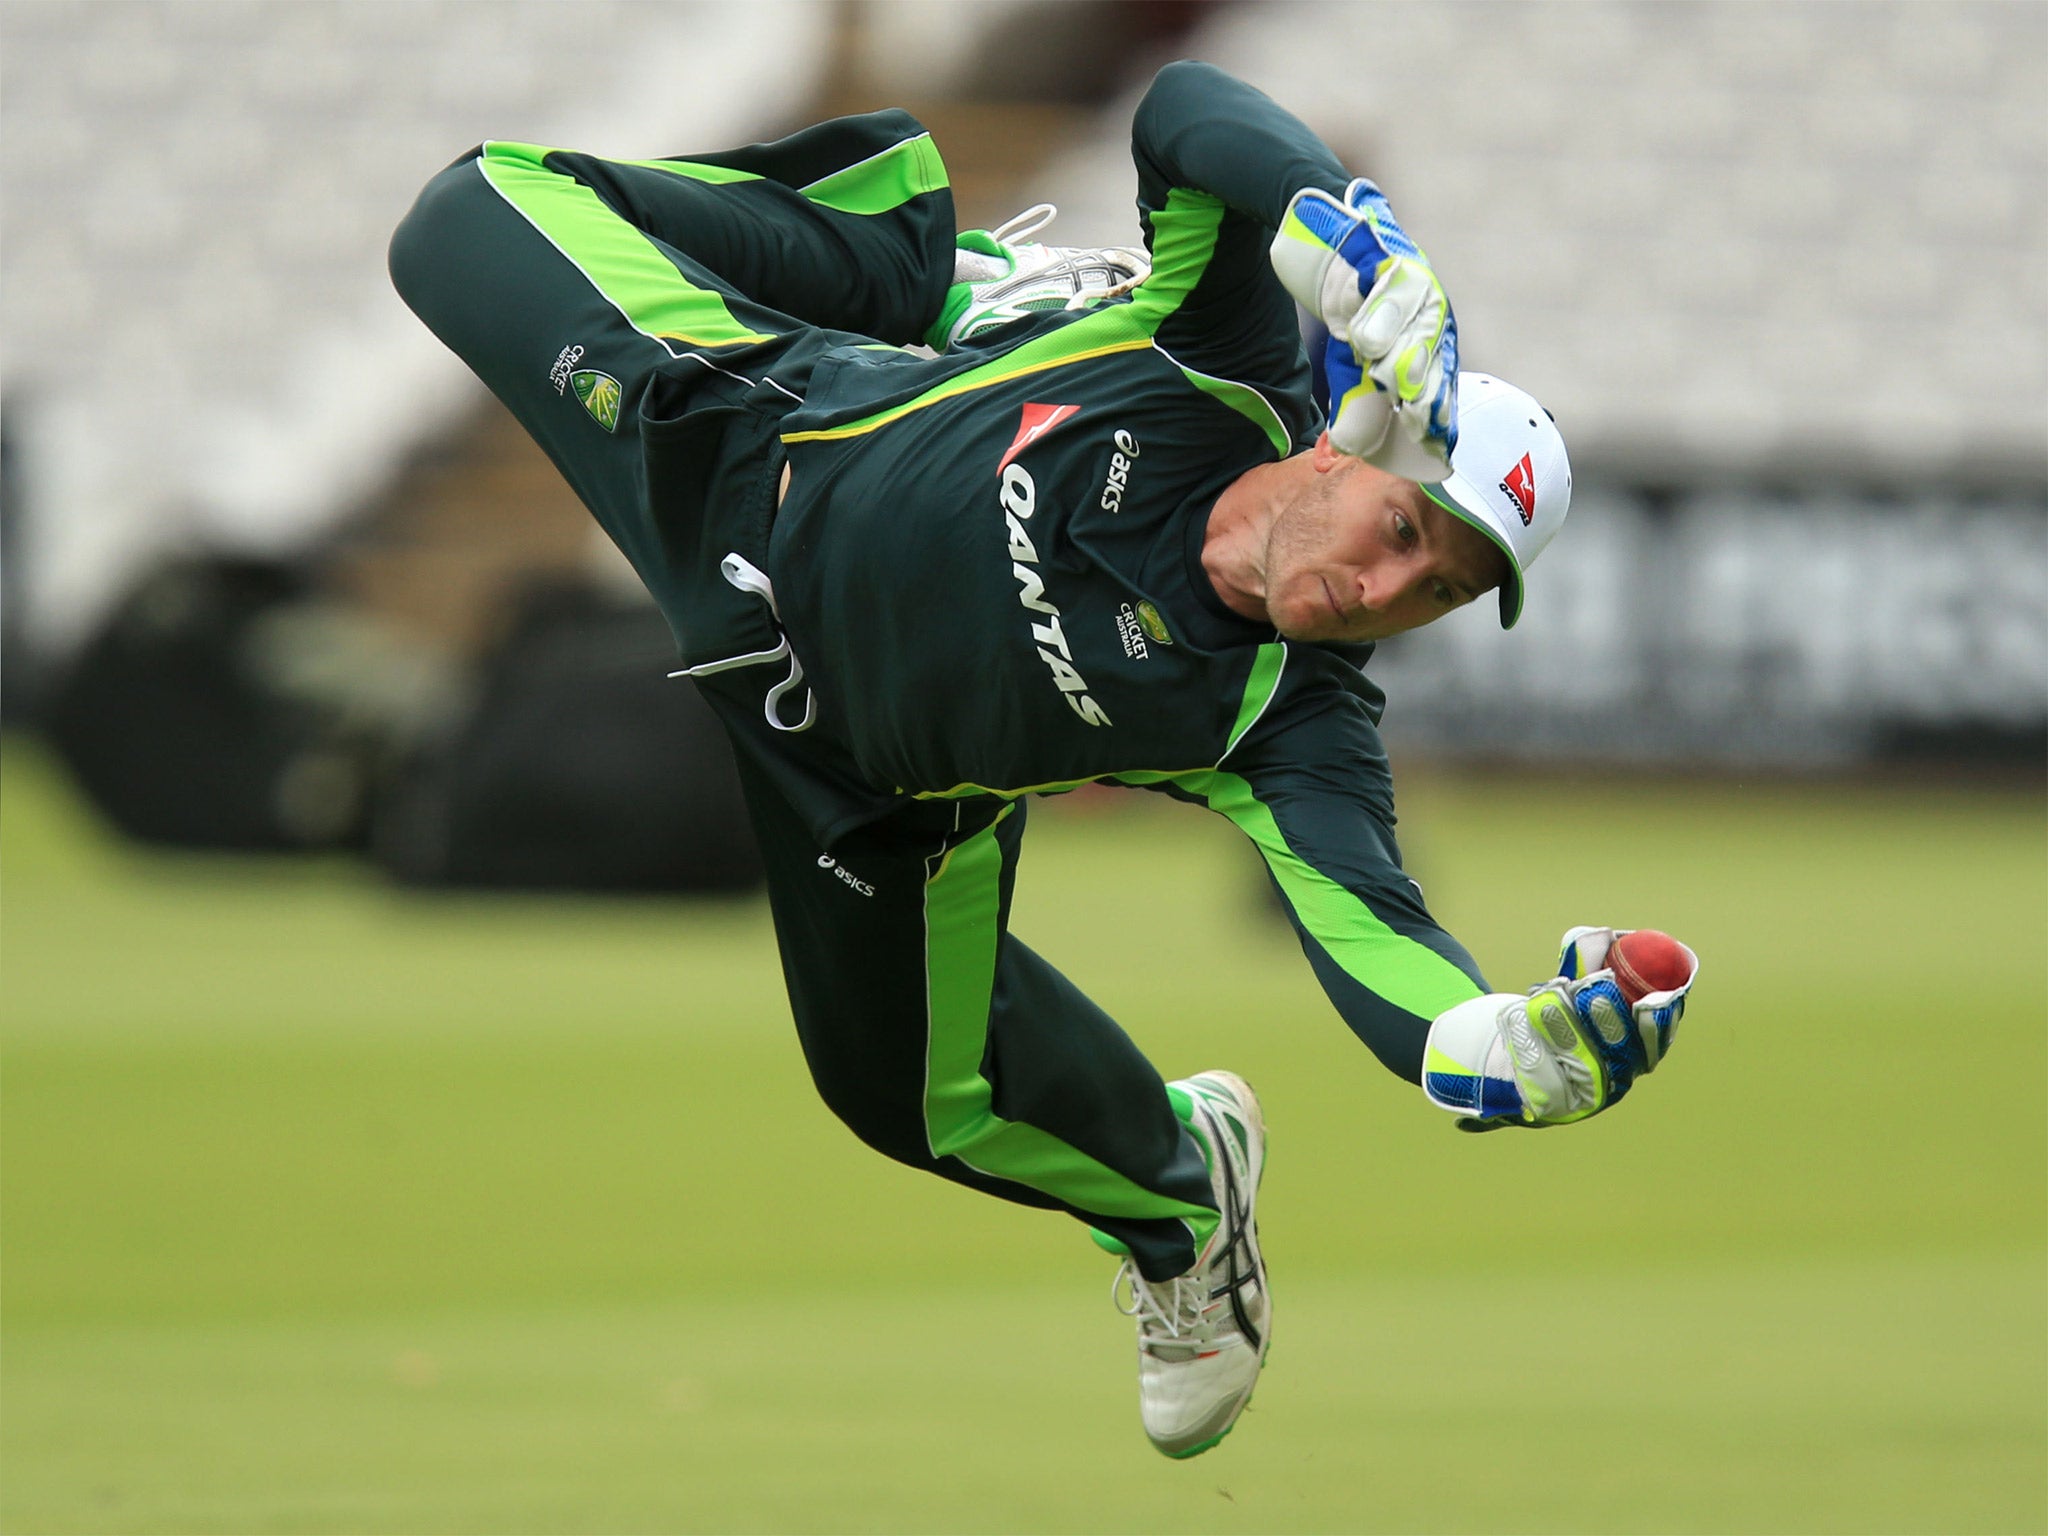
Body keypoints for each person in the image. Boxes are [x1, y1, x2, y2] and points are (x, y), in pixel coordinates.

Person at [389, 60, 1698, 1459]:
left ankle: (1183, 1196)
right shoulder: (1214, 369)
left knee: (910, 1102)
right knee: (464, 221)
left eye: (1438, 590)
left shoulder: (1288, 718)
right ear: (1348, 444)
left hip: (867, 788)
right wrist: (1345, 214)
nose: (1391, 592)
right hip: (734, 437)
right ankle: (906, 259)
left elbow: (1375, 932)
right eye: (1403, 529)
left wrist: (1482, 1046)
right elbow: (1185, 114)